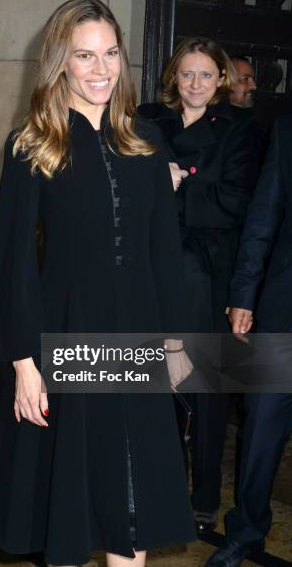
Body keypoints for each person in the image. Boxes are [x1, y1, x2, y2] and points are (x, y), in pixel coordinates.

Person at [0, 0, 196, 566]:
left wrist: (175, 344)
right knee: (69, 501)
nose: (101, 70)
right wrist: (24, 363)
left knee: (133, 496)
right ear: (61, 63)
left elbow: (165, 256)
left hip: (139, 337)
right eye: (85, 56)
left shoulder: (145, 142)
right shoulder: (33, 146)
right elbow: (13, 263)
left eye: (111, 53)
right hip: (67, 335)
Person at [138, 37, 260, 534]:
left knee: (205, 390)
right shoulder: (149, 121)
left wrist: (180, 185)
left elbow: (235, 202)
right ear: (173, 77)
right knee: (155, 383)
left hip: (207, 274)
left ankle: (204, 496)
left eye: (205, 75)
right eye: (186, 74)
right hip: (152, 267)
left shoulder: (240, 130)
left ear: (220, 81)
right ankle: (158, 486)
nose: (194, 84)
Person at [206, 115, 292, 566]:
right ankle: (248, 529)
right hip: (284, 308)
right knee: (261, 423)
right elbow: (264, 216)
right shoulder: (287, 128)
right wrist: (244, 294)